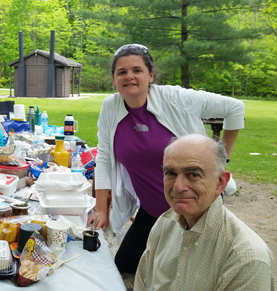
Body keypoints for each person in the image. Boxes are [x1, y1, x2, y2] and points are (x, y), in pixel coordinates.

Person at [87, 43, 245, 274]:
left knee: (185, 276)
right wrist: (101, 207)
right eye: (122, 72)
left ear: (151, 75)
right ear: (114, 79)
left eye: (137, 70)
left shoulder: (177, 98)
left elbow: (235, 108)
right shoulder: (110, 107)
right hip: (152, 211)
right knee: (125, 265)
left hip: (193, 211)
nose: (129, 76)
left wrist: (221, 162)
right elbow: (104, 157)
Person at [135, 134, 276, 290]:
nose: (178, 186)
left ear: (220, 182)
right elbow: (143, 282)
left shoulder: (247, 259)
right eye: (171, 173)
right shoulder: (165, 223)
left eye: (194, 174)